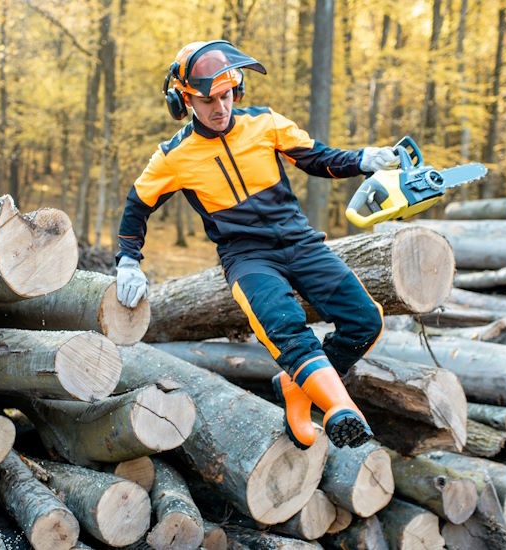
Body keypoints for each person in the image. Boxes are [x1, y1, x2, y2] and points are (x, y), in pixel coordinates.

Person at [114, 40, 397, 449]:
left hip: (301, 242)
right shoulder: (174, 156)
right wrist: (128, 260)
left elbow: (317, 158)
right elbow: (136, 207)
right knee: (285, 328)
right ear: (184, 101)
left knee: (365, 320)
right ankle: (340, 407)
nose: (220, 107)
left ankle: (296, 385)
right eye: (207, 100)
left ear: (238, 88)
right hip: (248, 259)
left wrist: (366, 159)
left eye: (227, 95)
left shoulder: (265, 123)